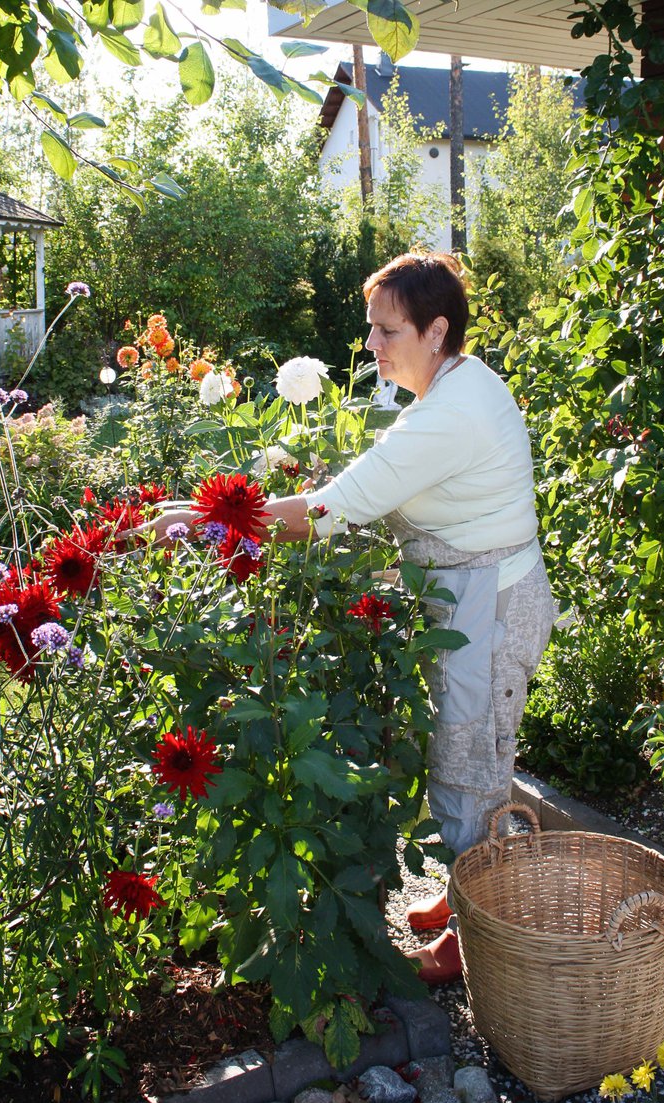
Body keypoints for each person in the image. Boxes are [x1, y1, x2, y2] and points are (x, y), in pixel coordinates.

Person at [146, 252, 555, 985]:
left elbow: (332, 508)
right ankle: (470, 892)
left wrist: (204, 515)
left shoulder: (448, 416)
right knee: (466, 753)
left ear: (435, 332)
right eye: (370, 328)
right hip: (473, 596)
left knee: (472, 764)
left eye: (385, 331)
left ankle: (480, 937)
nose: (371, 345)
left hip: (487, 608)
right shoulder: (452, 382)